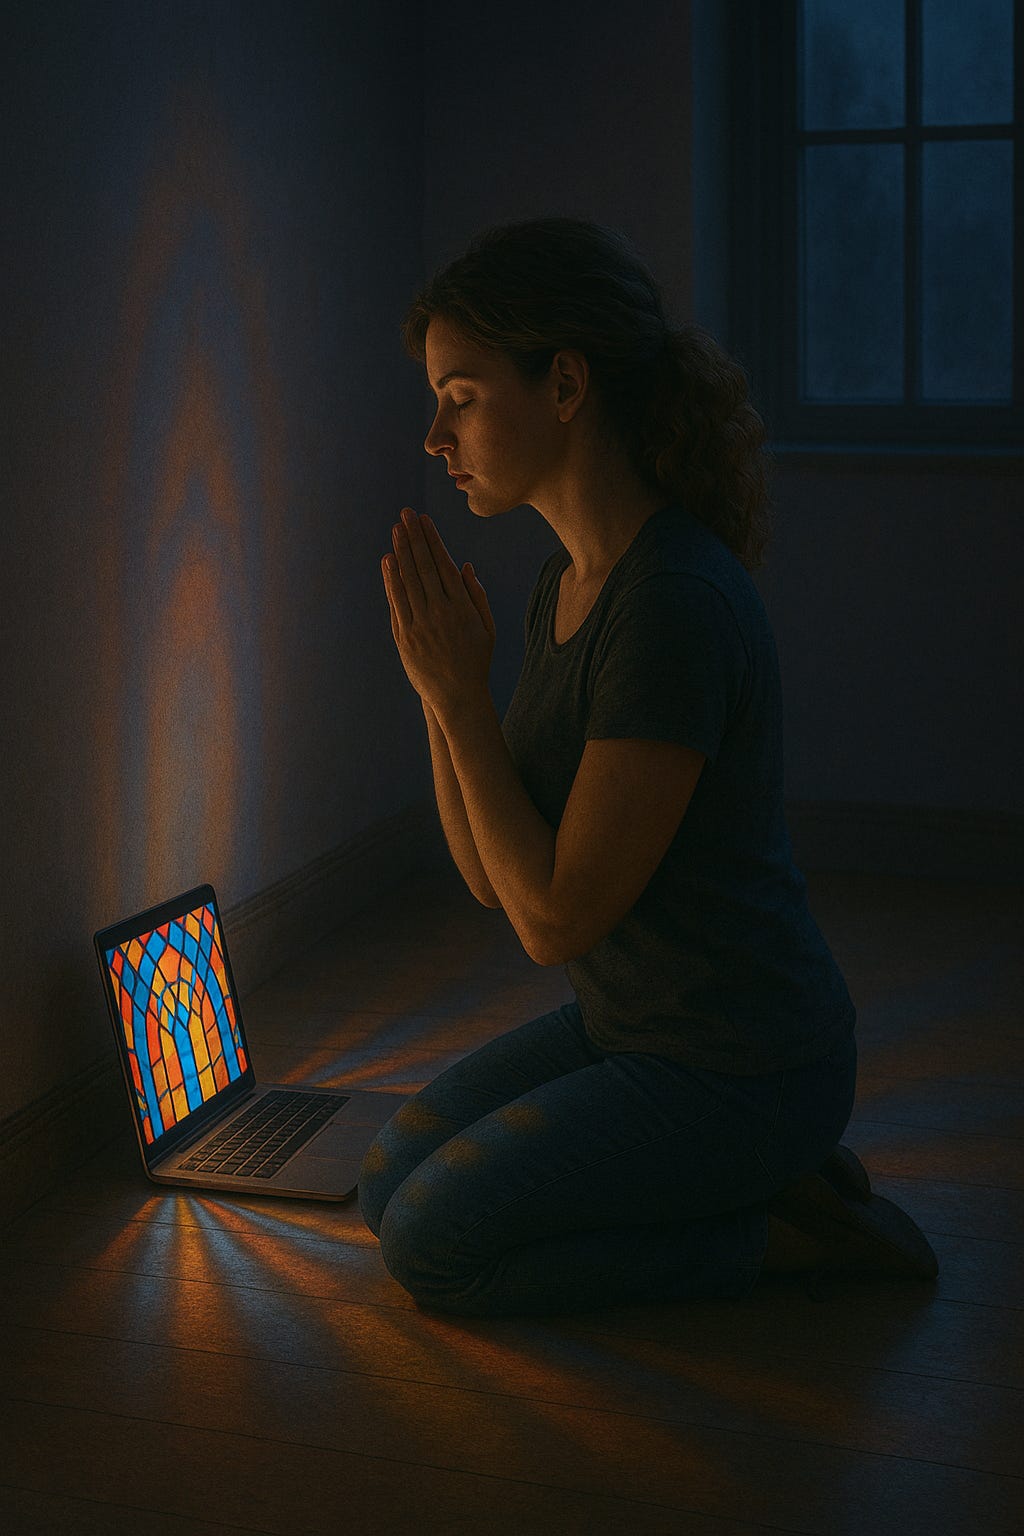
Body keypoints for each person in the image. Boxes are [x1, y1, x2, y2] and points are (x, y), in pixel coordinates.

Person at [358, 217, 938, 1316]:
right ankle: (736, 1185)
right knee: (386, 1184)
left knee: (435, 1246)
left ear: (565, 383)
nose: (435, 433)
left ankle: (779, 1231)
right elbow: (493, 878)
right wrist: (446, 699)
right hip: (629, 1025)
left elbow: (552, 923)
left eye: (463, 394)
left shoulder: (670, 604)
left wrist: (463, 704)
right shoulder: (564, 580)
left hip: (742, 1062)